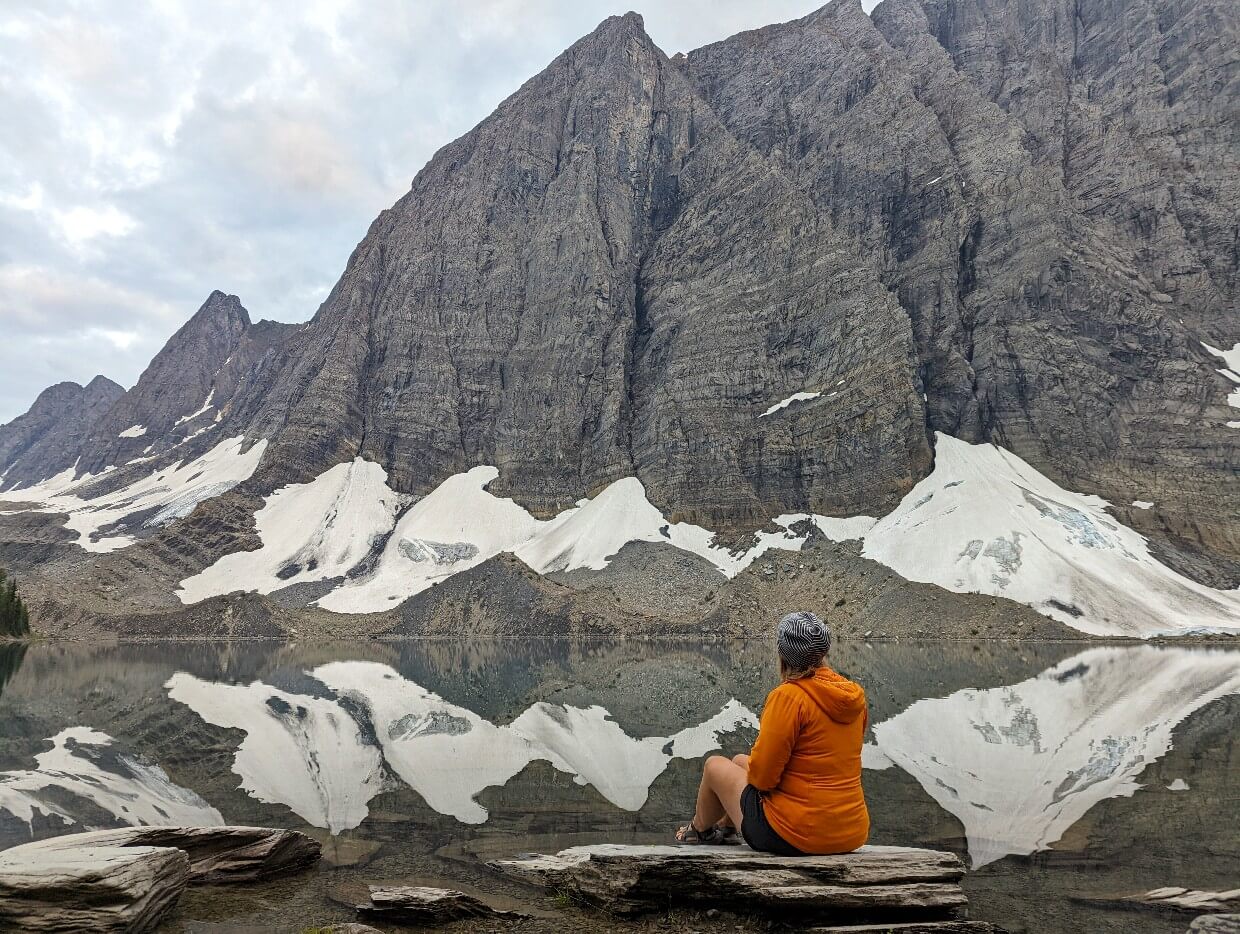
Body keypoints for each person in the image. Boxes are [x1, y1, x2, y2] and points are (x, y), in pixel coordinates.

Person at [674, 611, 869, 855]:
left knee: (715, 766)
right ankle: (725, 829)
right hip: (850, 831)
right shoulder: (852, 697)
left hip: (796, 834)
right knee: (738, 761)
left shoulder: (789, 696)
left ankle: (697, 831)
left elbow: (763, 779)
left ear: (783, 653)